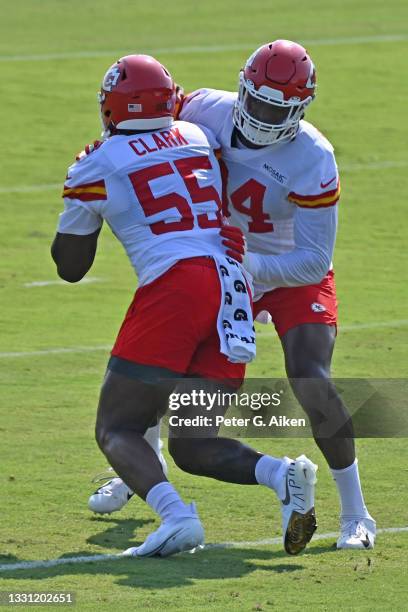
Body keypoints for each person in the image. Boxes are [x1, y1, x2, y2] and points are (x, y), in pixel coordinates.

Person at [90, 40, 375, 551]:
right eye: (258, 101)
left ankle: (356, 512)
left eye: (278, 109)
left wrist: (252, 265)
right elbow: (145, 132)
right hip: (216, 261)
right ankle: (138, 470)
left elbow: (314, 259)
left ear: (301, 109)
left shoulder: (314, 156)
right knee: (167, 359)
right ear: (241, 86)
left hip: (284, 267)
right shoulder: (203, 107)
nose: (263, 117)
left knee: (311, 379)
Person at [52, 53, 318, 557]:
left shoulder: (96, 161)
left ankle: (177, 517)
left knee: (117, 426)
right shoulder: (197, 137)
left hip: (177, 287)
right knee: (193, 443)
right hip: (231, 286)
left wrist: (80, 198)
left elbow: (71, 267)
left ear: (111, 107)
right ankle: (284, 475)